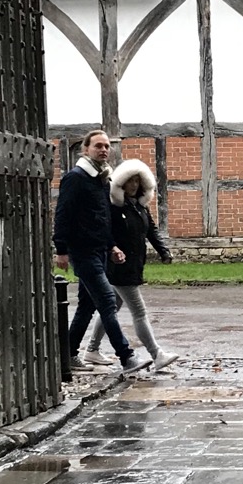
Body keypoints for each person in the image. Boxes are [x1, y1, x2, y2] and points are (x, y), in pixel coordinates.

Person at [53, 129, 151, 374]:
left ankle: (67, 355)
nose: (104, 150)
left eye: (107, 146)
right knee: (107, 300)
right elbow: (63, 214)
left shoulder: (102, 179)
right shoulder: (75, 178)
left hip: (99, 250)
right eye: (98, 146)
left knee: (87, 305)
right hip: (82, 250)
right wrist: (61, 249)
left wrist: (111, 246)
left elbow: (103, 218)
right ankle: (127, 357)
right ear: (85, 149)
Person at [78, 158, 179, 371]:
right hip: (119, 266)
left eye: (137, 181)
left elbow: (151, 230)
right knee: (139, 311)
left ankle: (92, 350)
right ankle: (157, 354)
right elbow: (105, 232)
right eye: (130, 181)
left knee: (111, 307)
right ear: (121, 183)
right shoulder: (114, 207)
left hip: (134, 264)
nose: (133, 185)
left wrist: (163, 251)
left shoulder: (139, 207)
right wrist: (113, 249)